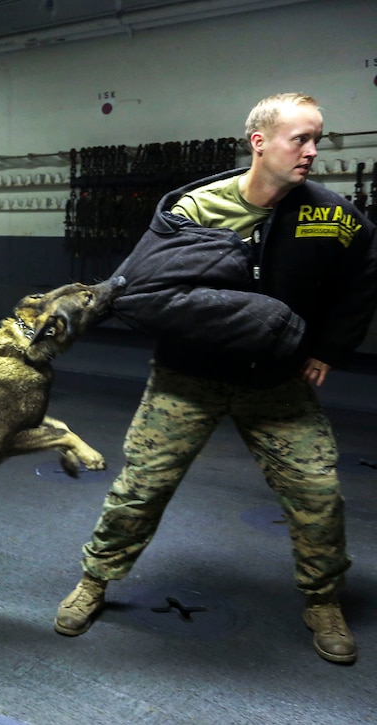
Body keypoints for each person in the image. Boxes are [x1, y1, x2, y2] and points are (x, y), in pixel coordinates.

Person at [54, 93, 377, 665]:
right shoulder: (197, 208)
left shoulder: (332, 216)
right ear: (260, 142)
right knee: (141, 488)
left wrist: (330, 348)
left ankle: (323, 599)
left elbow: (360, 281)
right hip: (188, 378)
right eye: (298, 138)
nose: (310, 151)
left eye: (316, 139)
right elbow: (142, 289)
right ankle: (95, 580)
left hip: (276, 384)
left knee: (318, 494)